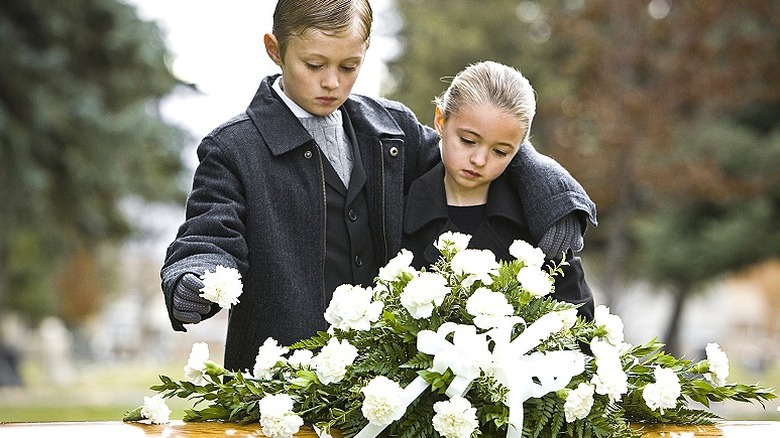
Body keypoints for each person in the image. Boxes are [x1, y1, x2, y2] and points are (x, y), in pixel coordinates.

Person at [161, 0, 597, 372]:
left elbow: (476, 148)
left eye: (349, 66)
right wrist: (192, 276)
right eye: (314, 65)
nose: (332, 82)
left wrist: (555, 198)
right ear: (275, 50)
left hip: (380, 383)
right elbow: (208, 235)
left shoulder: (392, 128)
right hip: (279, 383)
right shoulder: (233, 148)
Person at [402, 61, 595, 320]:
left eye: (500, 151)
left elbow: (579, 318)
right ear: (440, 120)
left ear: (520, 149)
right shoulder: (397, 200)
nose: (480, 160)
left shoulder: (540, 220)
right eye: (468, 141)